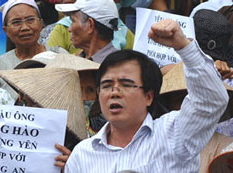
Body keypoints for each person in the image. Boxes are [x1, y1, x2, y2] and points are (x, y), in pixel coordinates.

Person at [63, 19, 229, 172]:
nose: (114, 92)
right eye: (106, 86)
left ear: (149, 96)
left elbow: (211, 100)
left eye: (126, 84)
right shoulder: (82, 155)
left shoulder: (173, 134)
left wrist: (183, 47)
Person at [0, 0, 67, 101]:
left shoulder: (60, 56)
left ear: (41, 24)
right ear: (6, 30)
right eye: (16, 22)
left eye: (30, 20)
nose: (25, 27)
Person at [50, 0, 133, 62]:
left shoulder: (117, 66)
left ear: (90, 25)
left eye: (73, 21)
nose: (69, 29)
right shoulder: (74, 61)